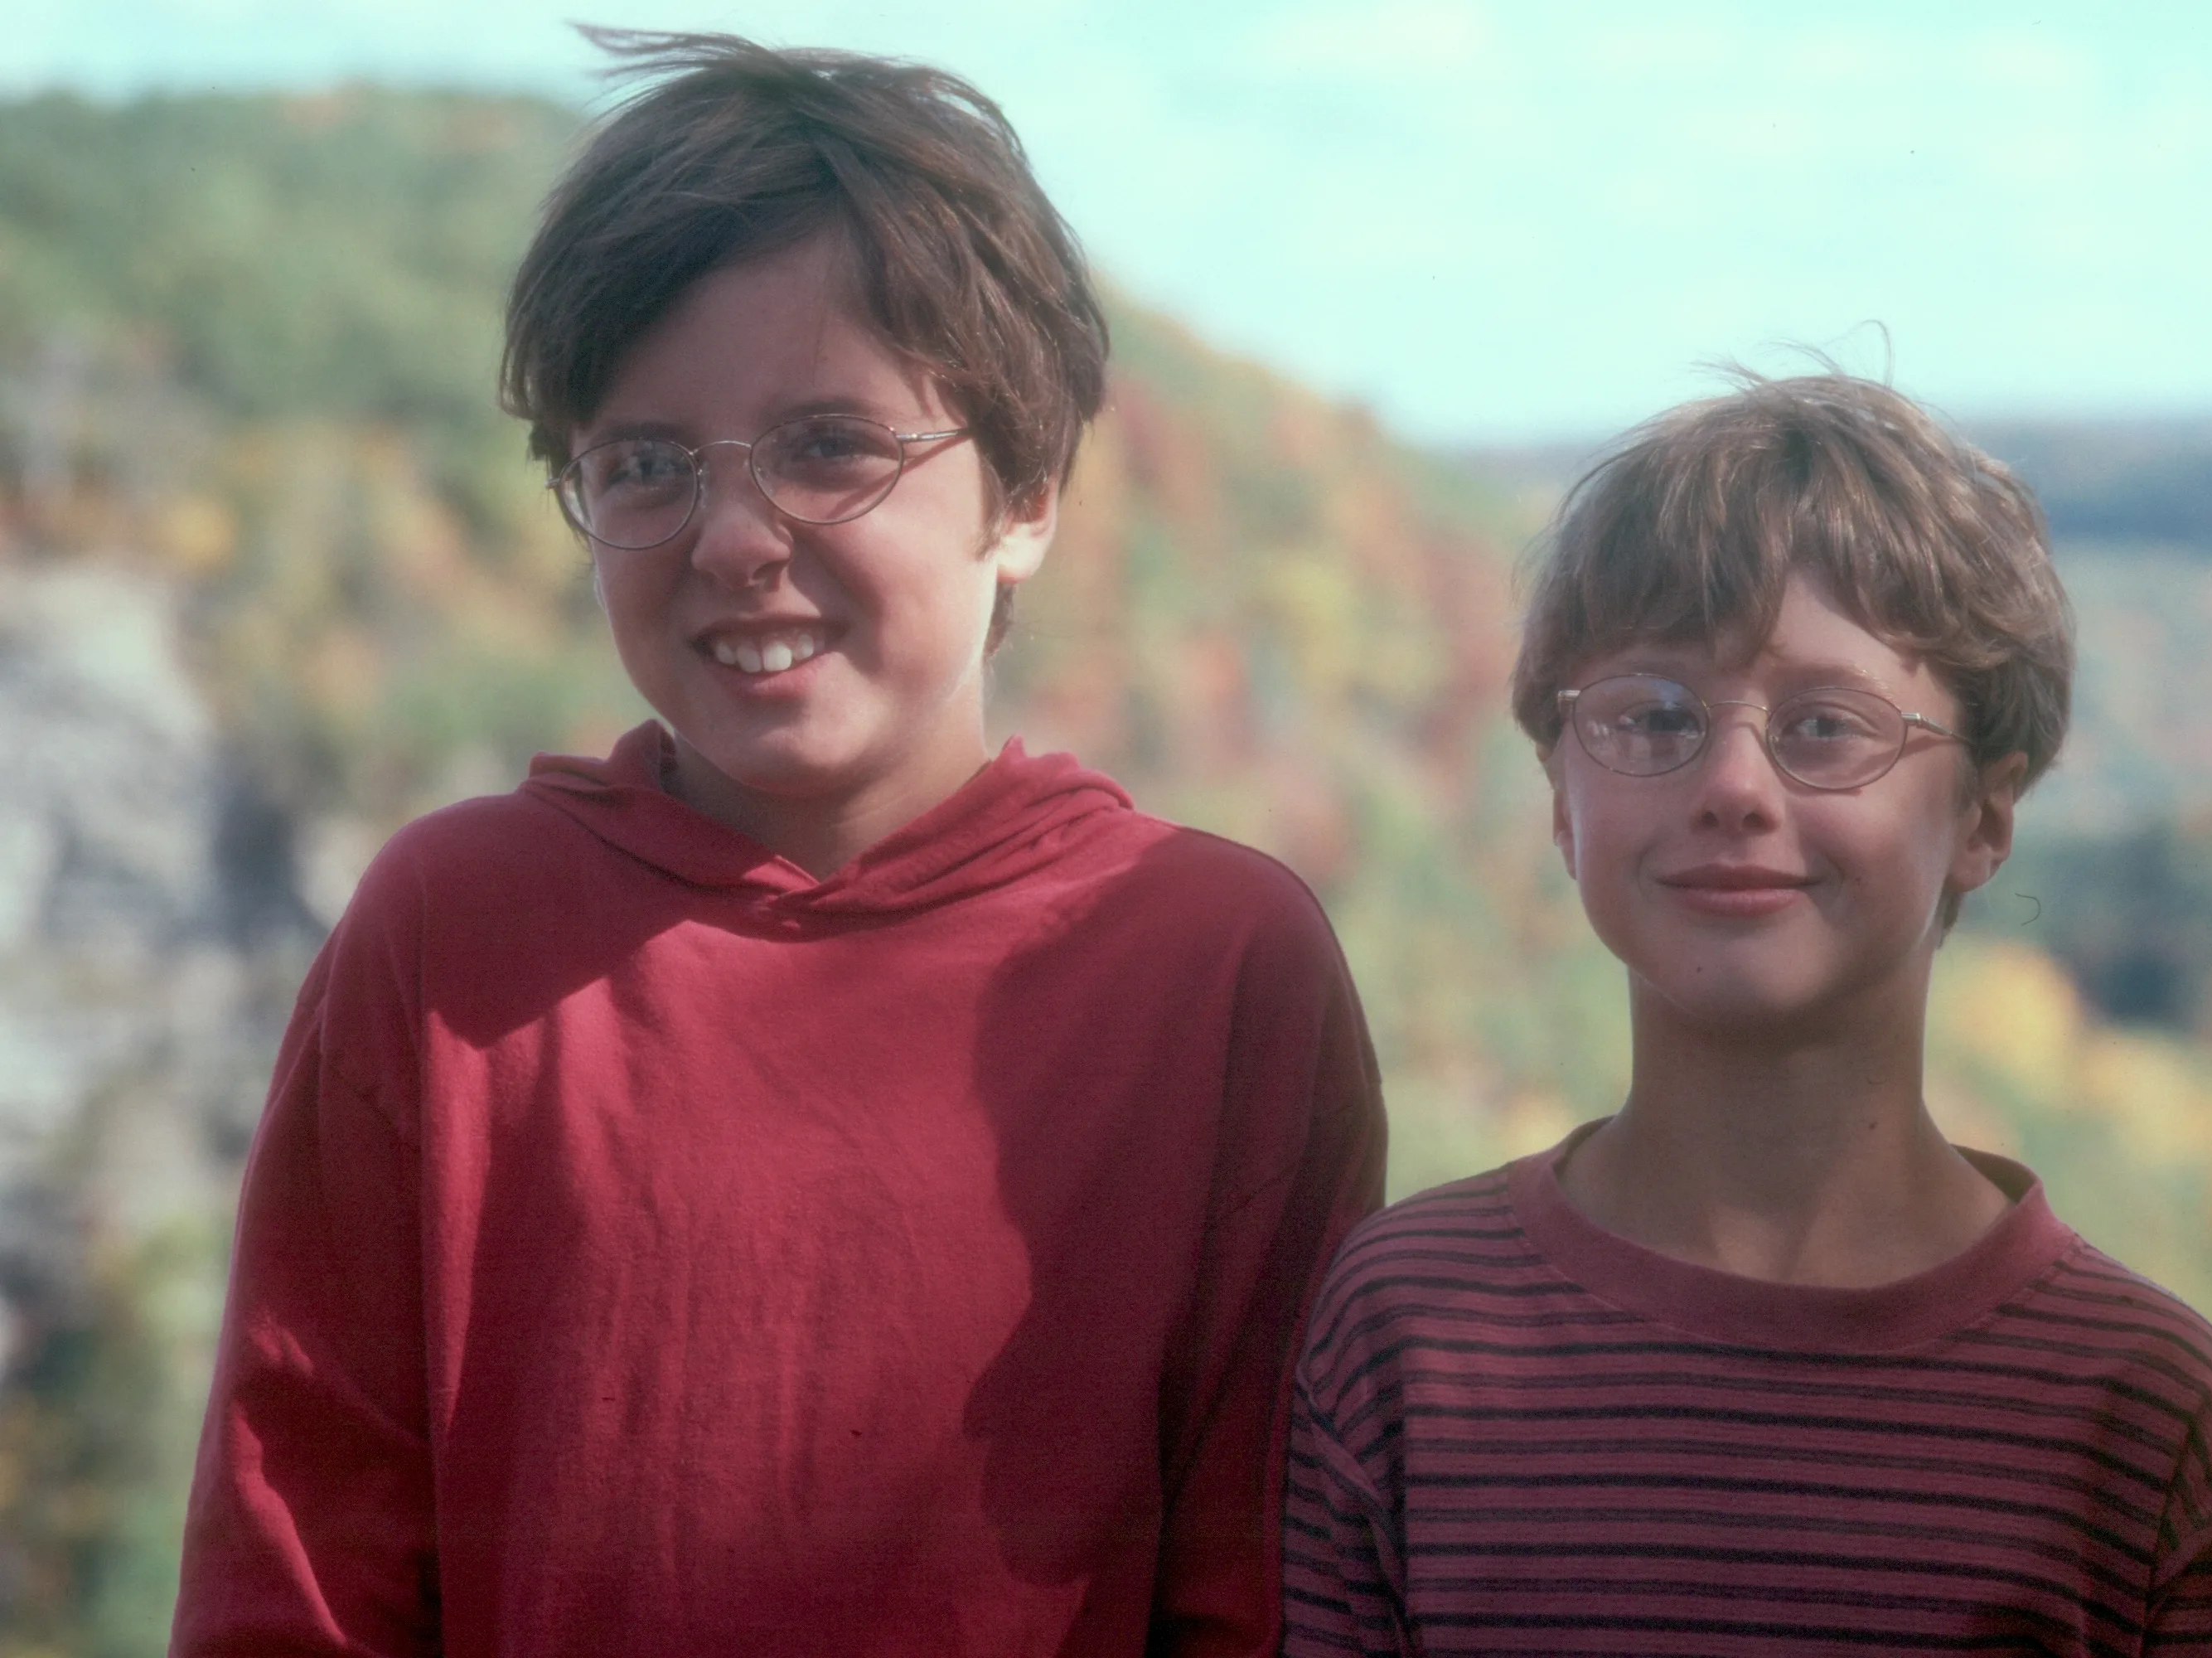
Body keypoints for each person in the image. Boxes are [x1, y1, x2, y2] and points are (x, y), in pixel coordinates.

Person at [175, 33, 1383, 1657]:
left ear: (1023, 492)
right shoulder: (456, 941)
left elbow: (1266, 1598)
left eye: (831, 446)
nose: (736, 541)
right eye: (648, 465)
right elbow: (297, 1582)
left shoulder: (1211, 964)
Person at [1281, 373, 2212, 1656]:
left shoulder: (2138, 1410)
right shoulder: (1410, 1326)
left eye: (1829, 727)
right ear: (1562, 801)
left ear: (1986, 816)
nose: (1730, 783)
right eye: (1653, 716)